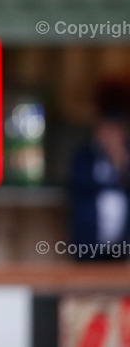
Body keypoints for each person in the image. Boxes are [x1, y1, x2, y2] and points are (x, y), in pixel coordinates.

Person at [69, 111, 130, 262]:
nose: (111, 137)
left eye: (116, 131)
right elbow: (79, 185)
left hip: (122, 243)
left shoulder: (125, 157)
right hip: (89, 239)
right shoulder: (84, 156)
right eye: (107, 130)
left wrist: (120, 162)